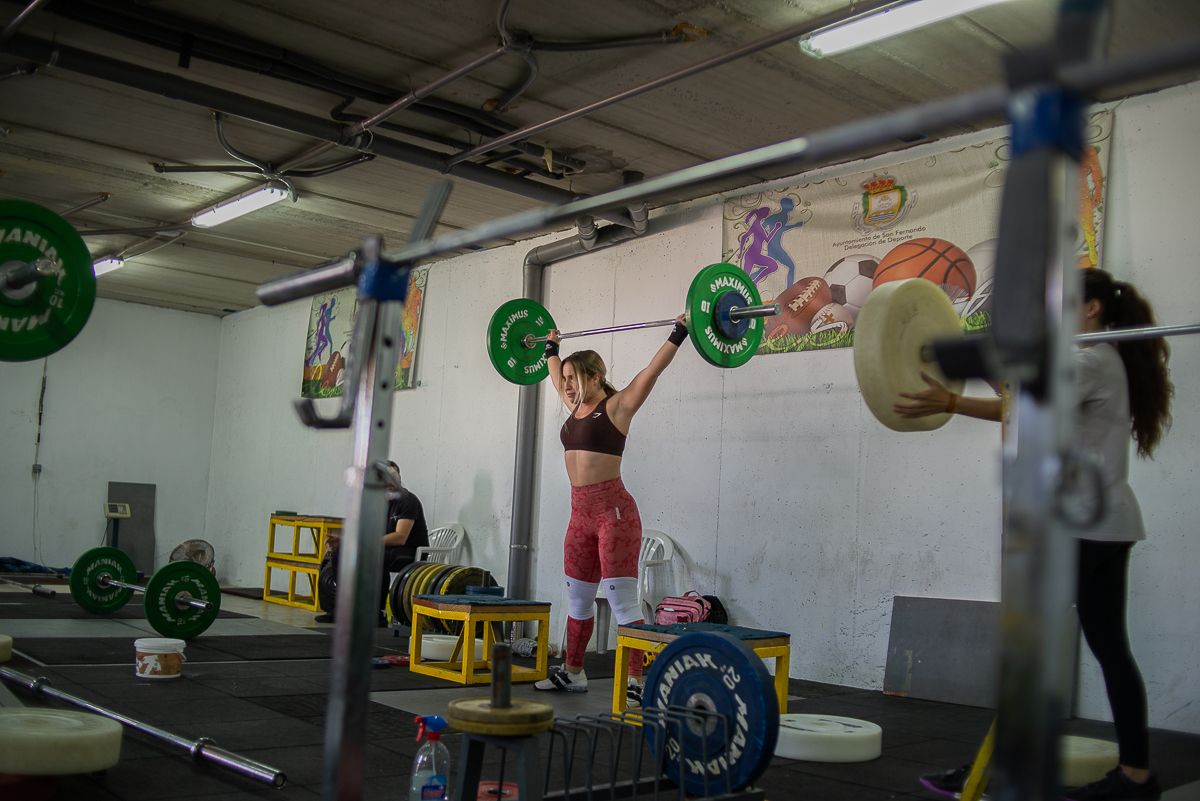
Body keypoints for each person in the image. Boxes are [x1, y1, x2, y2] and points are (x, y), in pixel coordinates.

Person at [895, 269, 1173, 801]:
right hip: (1101, 523)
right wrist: (964, 393)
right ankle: (1133, 776)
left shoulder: (1091, 360)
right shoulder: (1094, 359)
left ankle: (1000, 771)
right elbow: (1022, 407)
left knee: (1035, 654)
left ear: (1090, 308)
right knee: (1107, 650)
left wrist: (950, 376)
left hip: (1084, 527)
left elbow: (1020, 399)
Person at [533, 316, 688, 706]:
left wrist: (680, 331)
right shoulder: (574, 407)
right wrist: (551, 347)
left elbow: (651, 371)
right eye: (566, 379)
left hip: (614, 515)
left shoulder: (617, 407)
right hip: (579, 516)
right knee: (579, 602)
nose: (567, 386)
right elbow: (553, 374)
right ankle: (573, 672)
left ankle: (636, 680)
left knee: (623, 605)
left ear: (597, 376)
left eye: (575, 378)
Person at [316, 461, 430, 625]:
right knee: (341, 552)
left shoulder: (407, 500)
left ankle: (376, 613)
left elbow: (400, 537)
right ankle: (340, 609)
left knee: (376, 555)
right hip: (384, 546)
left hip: (409, 550)